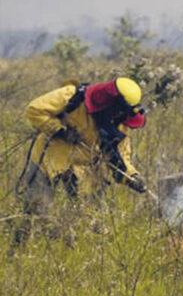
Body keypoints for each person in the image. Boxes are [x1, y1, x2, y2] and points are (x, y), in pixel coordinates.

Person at [17, 77, 148, 239]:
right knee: (35, 213)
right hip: (48, 160)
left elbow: (120, 158)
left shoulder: (119, 126)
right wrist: (60, 131)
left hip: (81, 171)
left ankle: (65, 243)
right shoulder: (72, 96)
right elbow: (35, 109)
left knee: (86, 220)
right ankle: (19, 248)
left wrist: (132, 177)